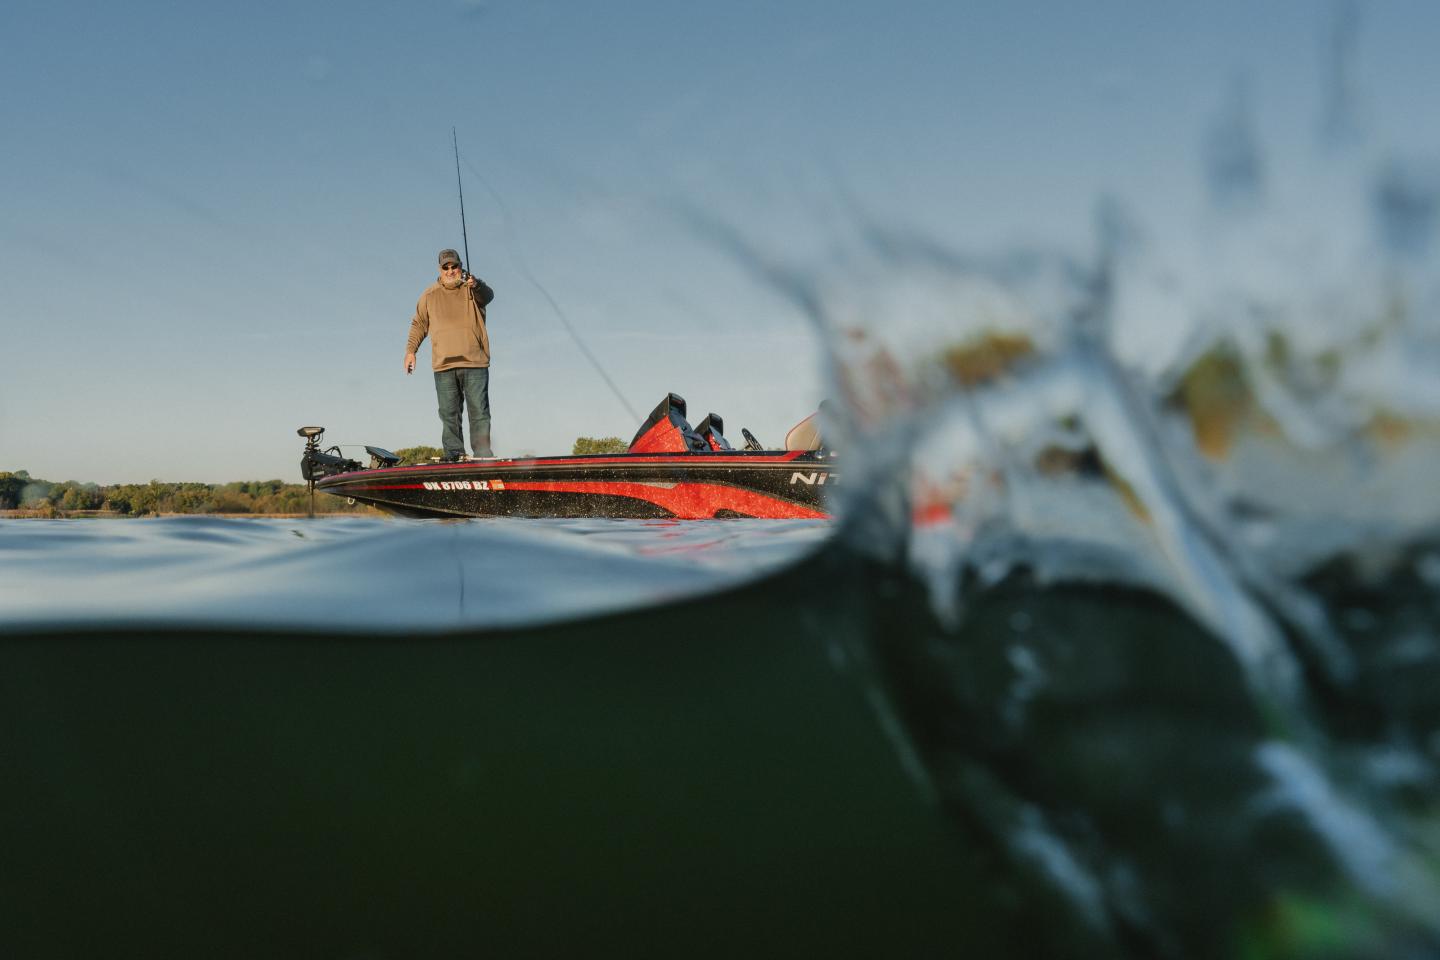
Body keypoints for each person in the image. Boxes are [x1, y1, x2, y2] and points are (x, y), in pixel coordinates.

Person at [405, 248, 496, 460]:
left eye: (454, 266)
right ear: (440, 269)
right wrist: (411, 351)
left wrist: (477, 284)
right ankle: (455, 454)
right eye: (446, 267)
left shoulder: (472, 288)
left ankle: (482, 454)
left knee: (479, 413)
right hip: (444, 365)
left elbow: (488, 296)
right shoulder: (429, 295)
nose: (450, 270)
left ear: (460, 266)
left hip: (475, 362)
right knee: (449, 415)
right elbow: (419, 324)